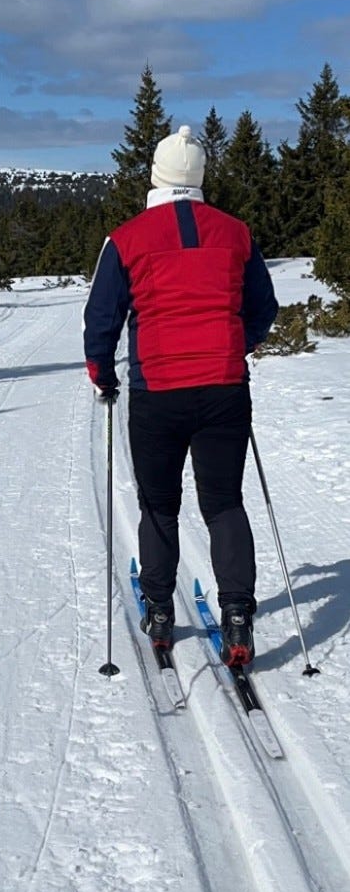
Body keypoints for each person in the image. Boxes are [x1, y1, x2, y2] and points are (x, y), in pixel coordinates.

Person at [83, 124, 278, 665]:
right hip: (223, 388)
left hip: (158, 392)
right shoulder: (236, 233)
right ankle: (237, 615)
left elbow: (102, 317)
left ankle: (161, 612)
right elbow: (263, 308)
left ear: (157, 176)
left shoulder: (127, 238)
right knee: (223, 503)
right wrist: (237, 345)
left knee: (159, 505)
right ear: (199, 178)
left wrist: (103, 373)